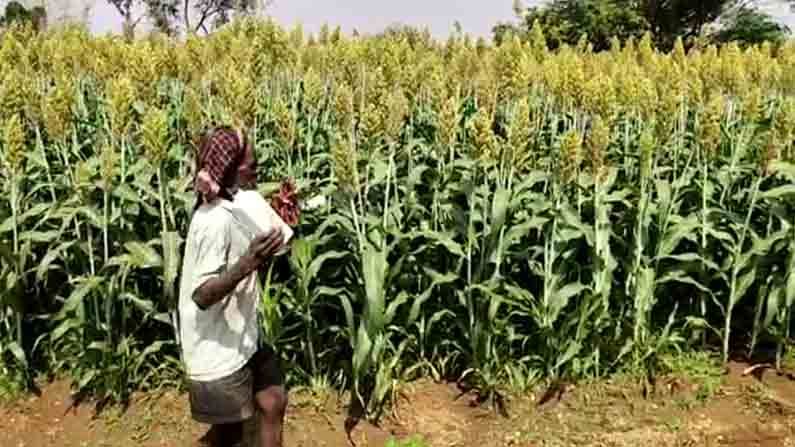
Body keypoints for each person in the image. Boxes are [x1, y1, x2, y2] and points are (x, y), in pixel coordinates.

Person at [178, 126, 289, 447]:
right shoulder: (213, 221)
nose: (257, 168)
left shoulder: (240, 204)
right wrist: (249, 262)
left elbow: (270, 251)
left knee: (273, 399)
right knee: (229, 436)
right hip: (215, 346)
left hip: (243, 334)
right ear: (230, 169)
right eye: (250, 165)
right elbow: (201, 296)